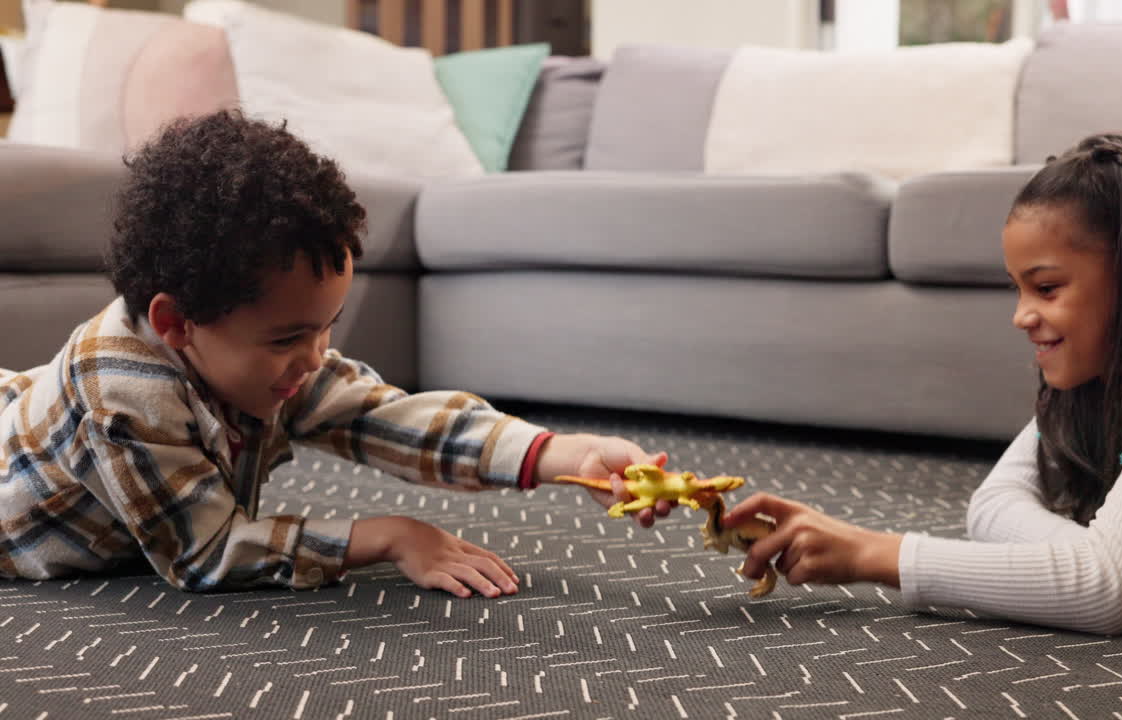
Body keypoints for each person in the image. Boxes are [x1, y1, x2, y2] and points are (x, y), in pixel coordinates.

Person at [0, 110, 669, 597]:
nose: (317, 357)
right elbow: (207, 551)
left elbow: (389, 418)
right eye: (289, 337)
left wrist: (566, 454)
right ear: (176, 323)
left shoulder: (278, 363)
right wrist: (387, 535)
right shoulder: (121, 399)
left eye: (326, 328)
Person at [724, 132, 1122, 634]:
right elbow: (993, 505)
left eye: (1046, 288)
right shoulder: (1099, 368)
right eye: (1018, 289)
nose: (1021, 315)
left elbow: (1107, 589)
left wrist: (873, 554)